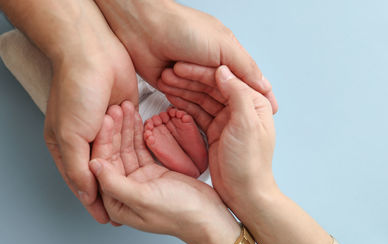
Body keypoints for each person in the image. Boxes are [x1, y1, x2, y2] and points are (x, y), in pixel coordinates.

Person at [0, 0, 277, 224]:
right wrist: (136, 13)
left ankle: (188, 162)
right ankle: (190, 163)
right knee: (126, 121)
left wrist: (128, 17)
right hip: (143, 85)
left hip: (133, 89)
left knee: (120, 120)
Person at [89, 64, 373, 244]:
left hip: (168, 131)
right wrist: (247, 195)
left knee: (114, 84)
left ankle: (201, 171)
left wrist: (220, 218)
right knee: (107, 93)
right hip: (154, 151)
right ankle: (201, 173)